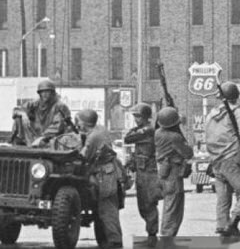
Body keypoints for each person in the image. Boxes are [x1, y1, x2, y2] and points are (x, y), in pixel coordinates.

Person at [204, 83, 240, 243]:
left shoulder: (211, 115)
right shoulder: (237, 112)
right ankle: (233, 224)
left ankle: (222, 228)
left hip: (216, 161)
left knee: (223, 197)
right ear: (236, 96)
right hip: (233, 158)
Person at [76, 108, 126, 248]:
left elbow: (85, 156)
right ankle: (107, 241)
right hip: (109, 172)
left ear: (85, 123)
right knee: (104, 209)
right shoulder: (100, 129)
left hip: (105, 175)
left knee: (107, 210)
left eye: (79, 121)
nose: (78, 124)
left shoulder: (93, 137)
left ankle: (115, 243)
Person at [123, 103, 162, 246]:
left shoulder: (148, 130)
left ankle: (152, 234)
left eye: (138, 116)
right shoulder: (142, 129)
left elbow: (128, 138)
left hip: (149, 171)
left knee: (149, 202)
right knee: (142, 203)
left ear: (146, 117)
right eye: (135, 116)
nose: (136, 119)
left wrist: (137, 129)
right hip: (141, 170)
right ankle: (151, 231)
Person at [153, 105, 193, 245]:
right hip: (173, 173)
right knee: (173, 206)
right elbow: (188, 153)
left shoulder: (157, 133)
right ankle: (167, 237)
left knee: (170, 205)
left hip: (163, 171)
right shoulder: (175, 137)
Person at [14, 77, 67, 144]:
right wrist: (23, 114)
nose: (44, 94)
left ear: (52, 93)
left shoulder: (60, 106)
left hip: (51, 138)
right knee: (18, 118)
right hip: (35, 134)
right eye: (42, 92)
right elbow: (17, 110)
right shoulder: (35, 103)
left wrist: (42, 137)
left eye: (47, 91)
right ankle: (21, 142)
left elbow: (58, 126)